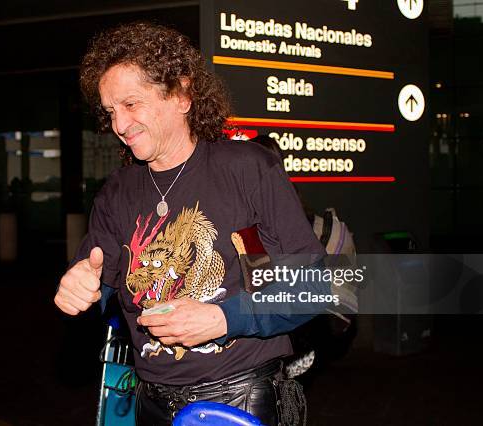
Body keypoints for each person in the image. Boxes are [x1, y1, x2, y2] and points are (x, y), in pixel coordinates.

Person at [54, 22, 326, 426]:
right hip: (150, 402)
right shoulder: (116, 192)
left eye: (131, 105)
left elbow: (317, 283)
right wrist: (81, 286)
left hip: (238, 400)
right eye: (111, 111)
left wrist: (223, 318)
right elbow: (101, 277)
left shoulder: (249, 168)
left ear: (181, 94)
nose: (120, 125)